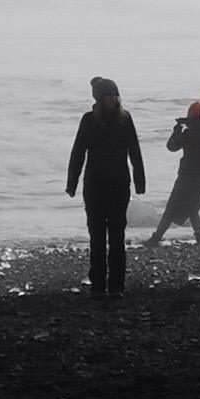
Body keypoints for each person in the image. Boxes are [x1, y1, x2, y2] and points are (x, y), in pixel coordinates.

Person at [66, 76, 147, 295]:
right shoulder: (95, 120)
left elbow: (134, 151)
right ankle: (106, 286)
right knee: (105, 236)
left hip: (110, 185)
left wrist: (140, 180)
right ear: (100, 98)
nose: (111, 99)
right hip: (102, 185)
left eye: (114, 95)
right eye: (108, 95)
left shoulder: (116, 119)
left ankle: (109, 287)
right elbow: (78, 152)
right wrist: (71, 182)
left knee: (109, 236)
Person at [147, 101, 200, 247]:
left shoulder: (189, 134)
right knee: (193, 208)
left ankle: (157, 237)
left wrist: (177, 129)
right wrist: (188, 123)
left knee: (171, 207)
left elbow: (171, 146)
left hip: (187, 174)